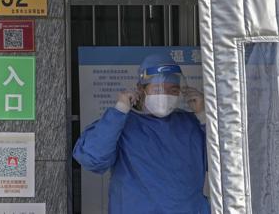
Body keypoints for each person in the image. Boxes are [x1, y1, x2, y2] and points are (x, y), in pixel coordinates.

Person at [73, 53, 210, 214]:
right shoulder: (122, 124)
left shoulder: (190, 124)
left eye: (173, 90)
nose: (165, 95)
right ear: (140, 89)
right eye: (157, 89)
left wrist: (204, 117)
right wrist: (120, 110)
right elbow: (92, 159)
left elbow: (224, 165)